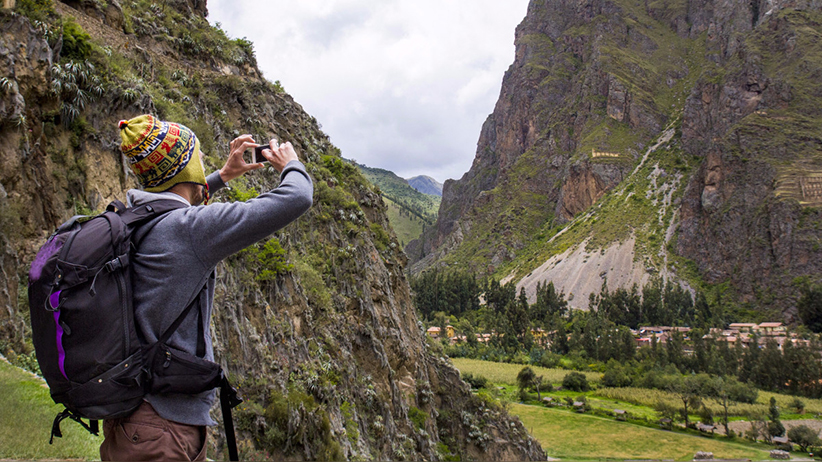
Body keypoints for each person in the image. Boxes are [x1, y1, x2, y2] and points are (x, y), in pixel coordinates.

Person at [99, 114, 313, 461]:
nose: (203, 162)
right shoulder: (189, 230)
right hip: (161, 428)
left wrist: (224, 175)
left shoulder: (134, 217)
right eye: (197, 156)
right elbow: (297, 198)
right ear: (184, 168)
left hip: (133, 415)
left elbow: (177, 208)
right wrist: (292, 165)